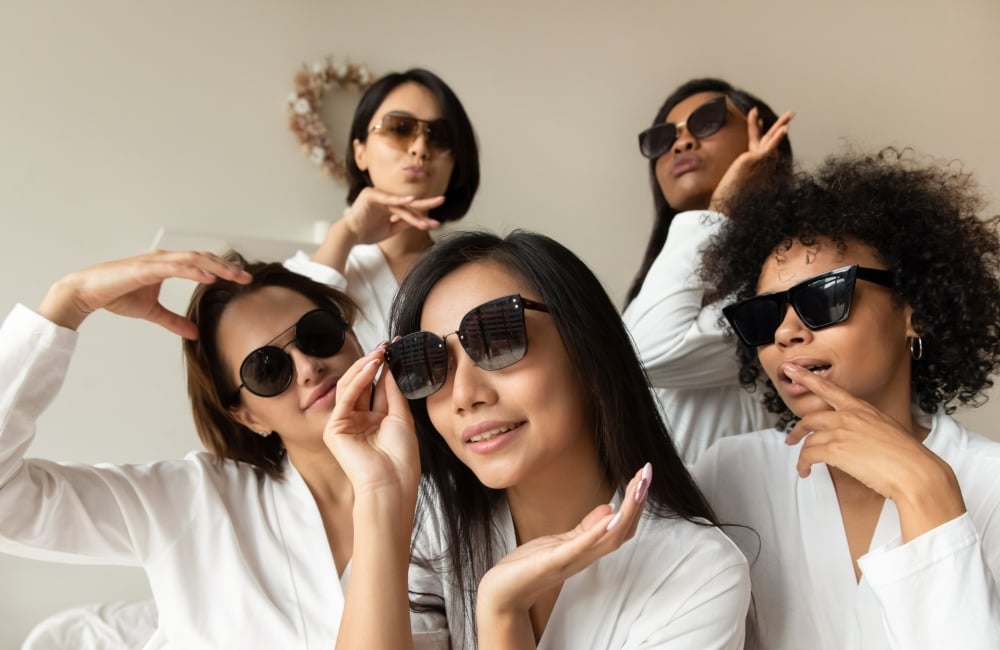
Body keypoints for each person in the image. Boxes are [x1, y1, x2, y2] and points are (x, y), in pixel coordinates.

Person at [0, 249, 424, 649]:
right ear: (247, 416)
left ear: (351, 335)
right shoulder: (195, 501)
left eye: (317, 335)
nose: (308, 368)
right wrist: (69, 301)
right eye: (267, 369)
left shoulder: (453, 490)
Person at [379, 230, 750, 648]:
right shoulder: (433, 525)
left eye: (498, 339)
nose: (464, 395)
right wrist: (378, 494)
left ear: (587, 352)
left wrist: (503, 610)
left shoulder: (696, 569)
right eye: (431, 363)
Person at [692, 149, 1000, 649]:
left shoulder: (992, 482)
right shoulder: (731, 472)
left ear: (911, 312)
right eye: (765, 314)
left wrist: (926, 491)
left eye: (823, 299)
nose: (787, 332)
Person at [622, 78, 794, 463]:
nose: (681, 144)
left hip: (740, 518)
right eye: (663, 139)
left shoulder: (789, 278)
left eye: (707, 122)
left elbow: (641, 355)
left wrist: (723, 208)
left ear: (765, 142)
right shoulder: (664, 274)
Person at [286, 67, 480, 353]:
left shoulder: (471, 272)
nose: (420, 147)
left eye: (440, 137)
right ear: (360, 152)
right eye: (399, 128)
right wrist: (346, 233)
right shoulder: (310, 269)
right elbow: (291, 340)